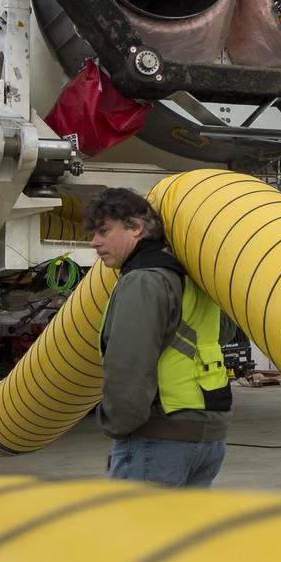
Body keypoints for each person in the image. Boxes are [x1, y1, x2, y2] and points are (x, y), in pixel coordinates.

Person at [85, 188, 231, 487]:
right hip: (208, 437)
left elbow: (129, 365)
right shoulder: (194, 275)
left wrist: (117, 427)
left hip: (159, 439)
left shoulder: (144, 279)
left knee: (138, 533)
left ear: (136, 227)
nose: (94, 242)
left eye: (103, 231)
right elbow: (223, 333)